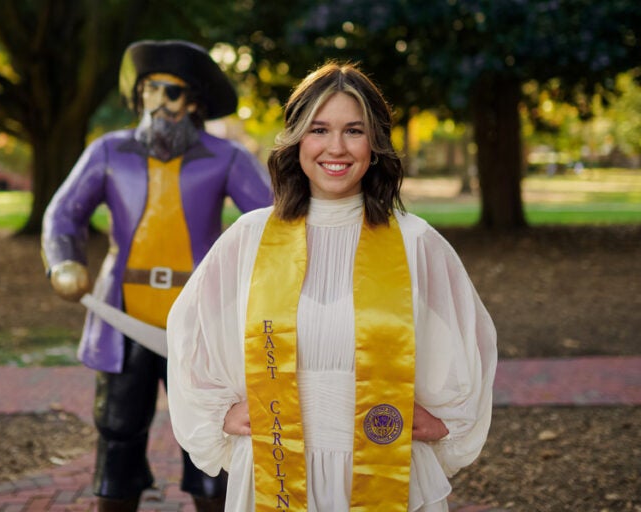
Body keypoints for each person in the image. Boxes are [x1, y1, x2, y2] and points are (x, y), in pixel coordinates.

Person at [166, 61, 497, 512]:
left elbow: (471, 338)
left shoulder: (415, 242)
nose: (336, 148)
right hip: (276, 465)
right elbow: (190, 329)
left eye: (354, 131)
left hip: (384, 466)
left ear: (375, 143)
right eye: (319, 129)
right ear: (297, 138)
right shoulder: (251, 238)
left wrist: (450, 420)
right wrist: (215, 413)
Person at [41, 40, 273, 512]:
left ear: (193, 102)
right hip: (122, 315)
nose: (157, 104)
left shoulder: (225, 157)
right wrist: (64, 259)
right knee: (117, 426)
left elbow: (275, 220)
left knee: (210, 425)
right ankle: (115, 498)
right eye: (147, 91)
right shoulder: (107, 152)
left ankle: (215, 500)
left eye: (169, 92)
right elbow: (63, 213)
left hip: (201, 319)